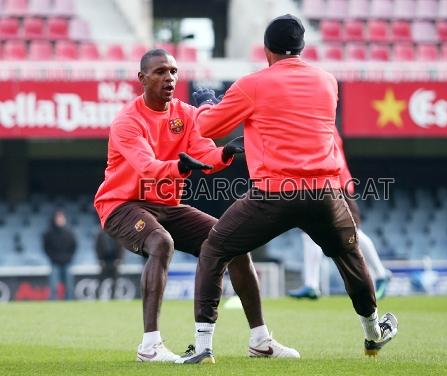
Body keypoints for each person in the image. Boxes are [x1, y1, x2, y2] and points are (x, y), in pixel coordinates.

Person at [183, 14, 398, 363]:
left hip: (273, 193)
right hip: (325, 194)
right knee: (350, 257)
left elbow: (208, 125)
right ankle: (374, 333)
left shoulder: (253, 84)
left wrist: (206, 103)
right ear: (302, 47)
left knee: (215, 249)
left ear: (267, 50)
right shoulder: (329, 82)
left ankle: (205, 346)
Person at [93, 49, 298, 363]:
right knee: (161, 242)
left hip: (166, 204)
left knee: (232, 240)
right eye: (161, 71)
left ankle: (261, 340)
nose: (170, 78)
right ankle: (150, 346)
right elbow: (147, 167)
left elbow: (204, 154)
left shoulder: (186, 114)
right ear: (141, 78)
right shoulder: (127, 122)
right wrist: (182, 167)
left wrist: (225, 153)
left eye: (173, 71)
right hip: (122, 204)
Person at [289, 131, 392, 300]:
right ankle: (311, 285)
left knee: (352, 232)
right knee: (308, 232)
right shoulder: (312, 122)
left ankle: (381, 274)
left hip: (337, 184)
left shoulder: (323, 126)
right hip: (318, 185)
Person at [43, 209, 77, 300]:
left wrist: (68, 257)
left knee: (69, 286)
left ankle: (70, 303)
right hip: (55, 263)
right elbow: (46, 248)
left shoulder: (69, 233)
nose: (60, 220)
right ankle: (53, 303)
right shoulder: (49, 233)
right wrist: (53, 258)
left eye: (61, 218)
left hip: (67, 262)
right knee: (53, 286)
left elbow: (74, 247)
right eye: (58, 218)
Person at [95, 229, 123, 300]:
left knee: (115, 281)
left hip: (114, 261)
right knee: (100, 280)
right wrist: (100, 259)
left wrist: (119, 259)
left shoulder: (116, 233)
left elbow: (121, 246)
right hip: (104, 260)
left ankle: (113, 297)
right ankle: (97, 296)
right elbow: (97, 247)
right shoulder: (100, 234)